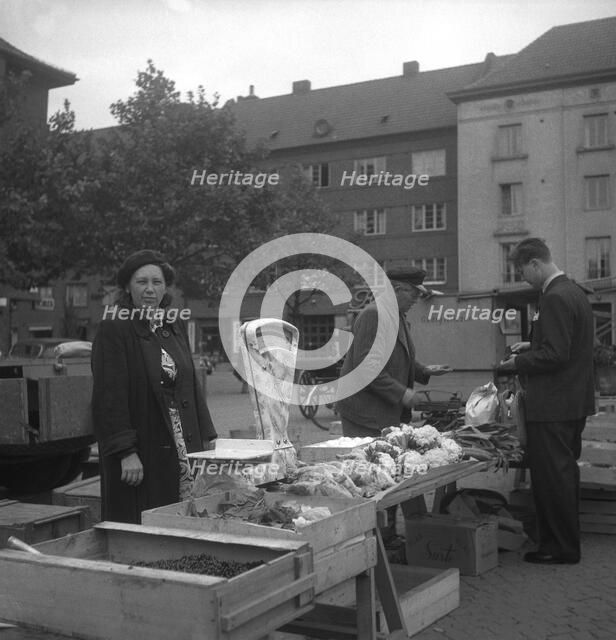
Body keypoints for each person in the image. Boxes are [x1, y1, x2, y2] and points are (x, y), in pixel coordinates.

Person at [91, 249, 217, 523]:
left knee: (183, 513)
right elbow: (108, 396)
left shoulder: (173, 324)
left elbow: (190, 382)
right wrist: (126, 452)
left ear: (165, 287)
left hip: (181, 440)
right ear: (127, 286)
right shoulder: (114, 327)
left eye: (157, 282)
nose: (150, 289)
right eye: (142, 282)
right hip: (142, 445)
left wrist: (207, 434)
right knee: (146, 521)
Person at [498, 238, 594, 564]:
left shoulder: (553, 298)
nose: (523, 278)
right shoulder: (574, 293)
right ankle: (562, 544)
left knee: (553, 479)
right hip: (572, 402)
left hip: (552, 405)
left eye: (522, 271)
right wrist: (531, 344)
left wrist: (518, 363)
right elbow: (568, 345)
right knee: (563, 475)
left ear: (536, 264)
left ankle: (558, 548)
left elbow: (556, 354)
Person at [337, 266, 452, 436]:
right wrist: (403, 393)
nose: (416, 300)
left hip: (381, 412)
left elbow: (396, 357)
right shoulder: (373, 315)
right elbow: (368, 368)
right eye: (414, 294)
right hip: (365, 414)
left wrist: (423, 370)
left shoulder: (397, 316)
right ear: (397, 290)